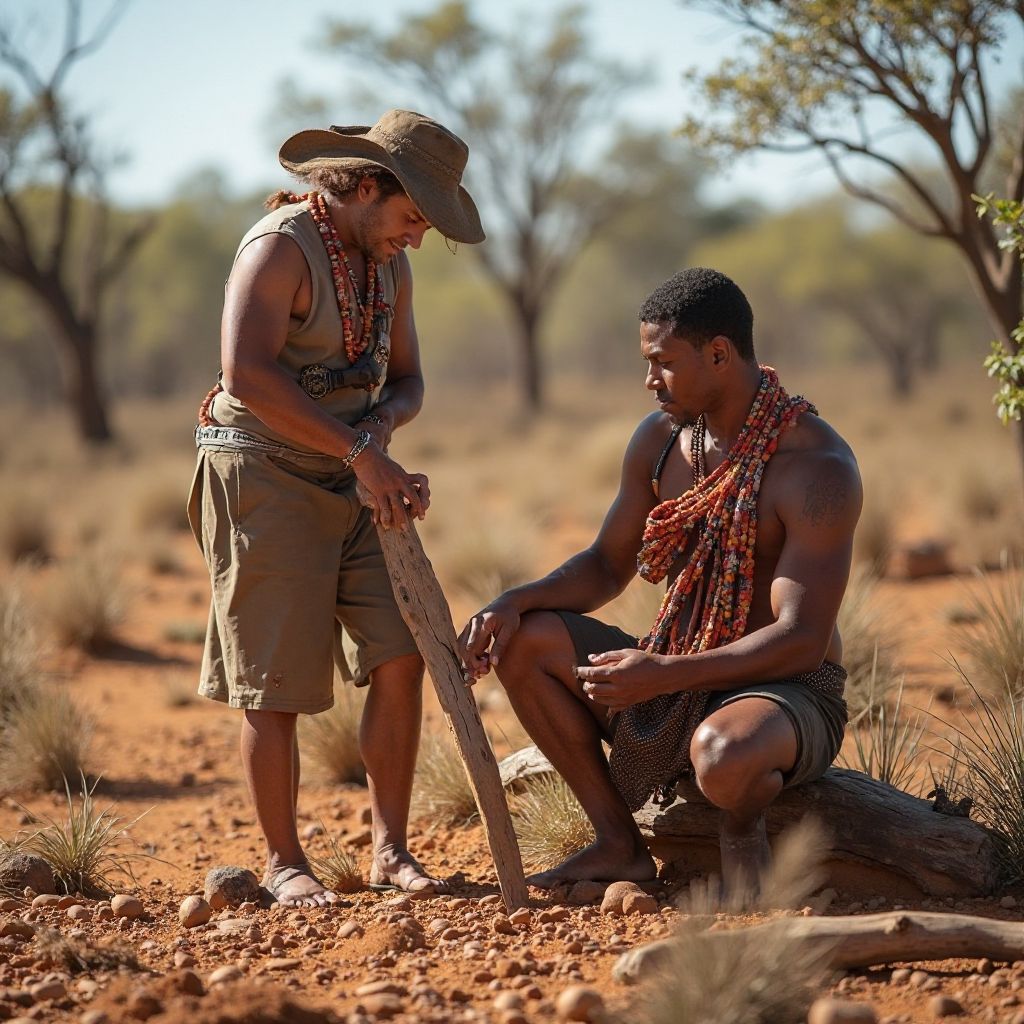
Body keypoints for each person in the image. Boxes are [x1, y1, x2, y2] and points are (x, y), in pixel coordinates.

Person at [459, 268, 861, 895]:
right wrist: (513, 603)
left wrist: (661, 675)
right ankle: (619, 843)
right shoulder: (662, 442)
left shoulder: (816, 469)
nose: (649, 381)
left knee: (723, 757)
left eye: (663, 363)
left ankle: (742, 828)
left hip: (785, 689)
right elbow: (605, 566)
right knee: (528, 639)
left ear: (720, 354)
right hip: (674, 667)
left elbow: (801, 639)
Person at [187, 110, 484, 906]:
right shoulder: (279, 247)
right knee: (275, 681)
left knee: (402, 651)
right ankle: (286, 863)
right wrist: (361, 454)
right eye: (413, 216)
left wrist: (379, 436)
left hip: (356, 473)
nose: (416, 237)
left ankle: (391, 852)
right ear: (362, 188)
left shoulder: (389, 266)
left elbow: (409, 381)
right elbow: (246, 375)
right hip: (264, 474)